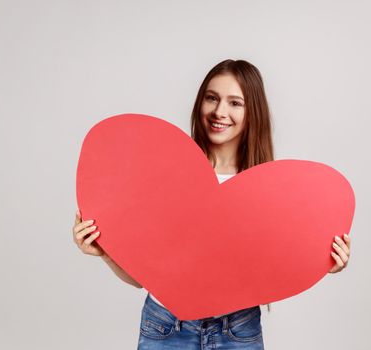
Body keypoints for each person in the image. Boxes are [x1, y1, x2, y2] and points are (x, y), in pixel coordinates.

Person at [72, 59, 351, 349]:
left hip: (238, 331)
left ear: (252, 111)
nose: (220, 112)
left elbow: (266, 280)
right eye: (212, 98)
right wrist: (104, 252)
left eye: (235, 103)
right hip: (165, 327)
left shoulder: (271, 193)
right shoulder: (164, 175)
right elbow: (142, 277)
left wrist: (318, 261)